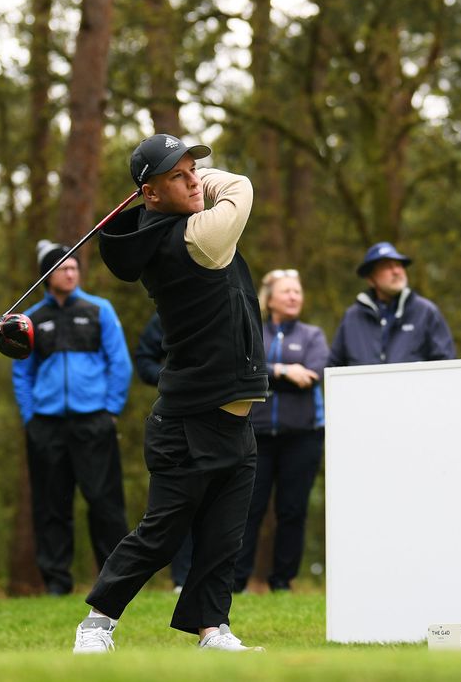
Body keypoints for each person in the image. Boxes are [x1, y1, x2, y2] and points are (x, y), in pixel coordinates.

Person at [72, 132, 267, 654]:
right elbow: (242, 186)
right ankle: (96, 624)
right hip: (189, 422)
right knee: (161, 533)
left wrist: (178, 180)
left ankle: (213, 629)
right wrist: (203, 181)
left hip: (231, 417)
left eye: (193, 170)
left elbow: (205, 190)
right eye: (178, 176)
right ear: (150, 195)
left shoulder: (178, 225)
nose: (195, 181)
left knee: (224, 536)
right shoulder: (197, 238)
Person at [11, 240, 133, 596]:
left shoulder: (100, 309)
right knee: (51, 506)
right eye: (63, 266)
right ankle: (56, 583)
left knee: (104, 502)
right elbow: (22, 373)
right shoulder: (31, 318)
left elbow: (119, 363)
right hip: (46, 426)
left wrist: (111, 409)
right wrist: (30, 416)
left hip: (94, 421)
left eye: (74, 266)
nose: (71, 271)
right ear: (47, 275)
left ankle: (115, 583)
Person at [232, 268, 329, 593]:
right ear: (269, 298)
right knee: (248, 510)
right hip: (255, 435)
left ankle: (282, 581)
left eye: (297, 291)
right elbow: (245, 367)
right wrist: (285, 370)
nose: (293, 296)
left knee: (292, 510)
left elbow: (314, 374)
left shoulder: (312, 335)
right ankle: (237, 581)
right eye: (286, 291)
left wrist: (268, 374)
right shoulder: (254, 331)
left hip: (303, 437)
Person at [133, 311, 193, 592]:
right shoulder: (165, 313)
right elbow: (144, 359)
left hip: (223, 417)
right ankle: (181, 579)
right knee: (178, 502)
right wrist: (173, 379)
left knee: (218, 502)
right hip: (177, 417)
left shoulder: (225, 305)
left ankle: (213, 581)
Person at [328, 242, 456, 366]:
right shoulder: (352, 317)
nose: (396, 271)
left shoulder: (426, 312)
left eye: (398, 265)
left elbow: (446, 363)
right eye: (386, 266)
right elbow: (334, 368)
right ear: (371, 279)